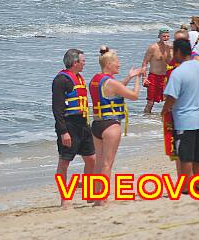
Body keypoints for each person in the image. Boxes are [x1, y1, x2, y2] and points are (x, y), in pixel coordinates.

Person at [89, 46, 141, 206]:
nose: (119, 64)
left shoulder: (96, 80)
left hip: (96, 124)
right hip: (111, 125)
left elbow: (114, 89)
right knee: (107, 163)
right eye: (117, 62)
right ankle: (102, 199)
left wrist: (129, 77)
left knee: (99, 163)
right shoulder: (111, 82)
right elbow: (134, 95)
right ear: (109, 64)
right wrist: (138, 78)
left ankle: (97, 196)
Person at [162, 39, 199, 194]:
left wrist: (164, 110)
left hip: (184, 120)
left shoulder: (178, 72)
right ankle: (197, 185)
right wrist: (196, 97)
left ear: (178, 52)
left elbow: (171, 96)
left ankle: (186, 187)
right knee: (198, 156)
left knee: (186, 156)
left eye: (173, 52)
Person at [52, 48, 95, 207]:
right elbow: (57, 109)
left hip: (83, 124)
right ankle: (65, 199)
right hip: (69, 126)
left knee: (91, 159)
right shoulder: (61, 80)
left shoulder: (79, 78)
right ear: (75, 63)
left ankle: (89, 193)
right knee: (64, 162)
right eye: (83, 61)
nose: (85, 64)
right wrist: (63, 132)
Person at [141, 28, 172, 114]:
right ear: (159, 36)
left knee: (169, 102)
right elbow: (144, 63)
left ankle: (165, 121)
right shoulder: (153, 47)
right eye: (164, 36)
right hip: (153, 77)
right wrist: (144, 78)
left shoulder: (170, 48)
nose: (166, 38)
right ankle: (146, 120)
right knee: (150, 103)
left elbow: (171, 63)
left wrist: (169, 51)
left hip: (165, 78)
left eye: (167, 36)